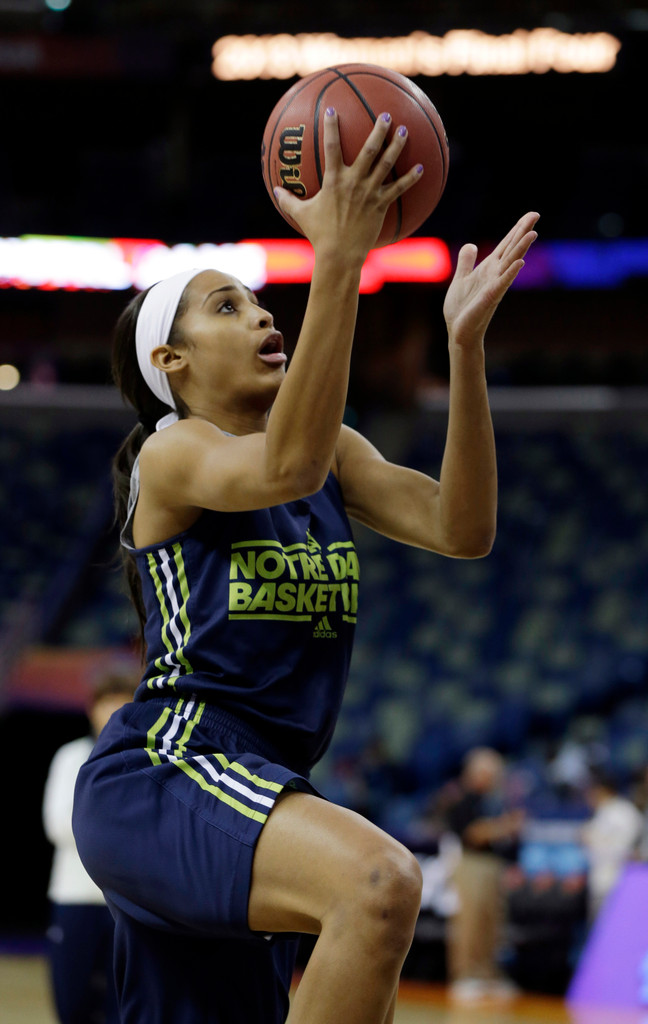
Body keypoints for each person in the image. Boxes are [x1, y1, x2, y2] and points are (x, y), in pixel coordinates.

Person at [72, 106, 538, 1024]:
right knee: (378, 883)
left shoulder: (336, 453)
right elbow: (281, 465)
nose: (259, 312)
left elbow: (461, 527)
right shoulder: (172, 453)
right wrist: (339, 258)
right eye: (227, 307)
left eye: (255, 299)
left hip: (262, 776)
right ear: (172, 361)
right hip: (172, 766)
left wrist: (464, 351)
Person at [43, 673, 135, 1024]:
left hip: (127, 903)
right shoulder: (71, 756)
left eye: (123, 701)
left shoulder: (144, 760)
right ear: (91, 709)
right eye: (106, 702)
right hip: (75, 899)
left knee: (122, 1005)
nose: (113, 711)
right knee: (72, 1001)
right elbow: (58, 824)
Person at [445, 747, 525, 1004]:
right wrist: (504, 826)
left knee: (493, 923)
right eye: (488, 772)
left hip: (493, 864)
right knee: (470, 921)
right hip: (471, 864)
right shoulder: (461, 800)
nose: (492, 778)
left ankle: (489, 975)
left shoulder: (495, 802)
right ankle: (465, 976)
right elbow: (473, 834)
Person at [581, 767, 643, 920]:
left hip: (618, 885)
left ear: (600, 790)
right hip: (601, 884)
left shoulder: (623, 812)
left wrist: (590, 839)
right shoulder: (602, 813)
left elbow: (626, 851)